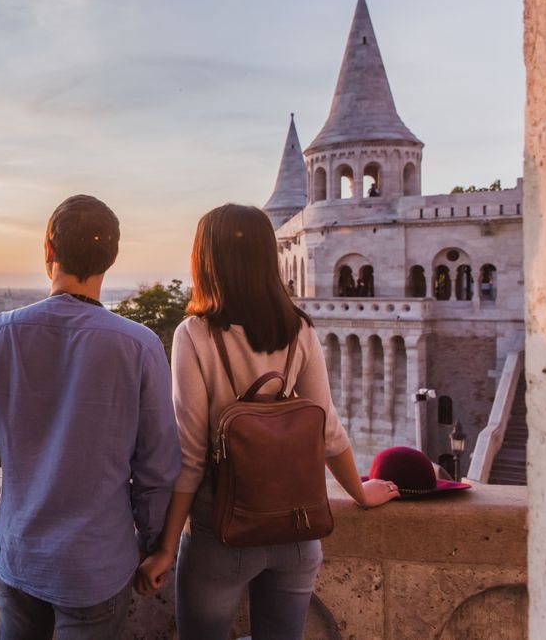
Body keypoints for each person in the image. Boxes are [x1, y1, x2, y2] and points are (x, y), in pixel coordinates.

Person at [134, 204, 398, 639]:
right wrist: (360, 494)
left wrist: (165, 547)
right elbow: (327, 429)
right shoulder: (299, 329)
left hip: (221, 533)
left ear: (206, 259)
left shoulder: (195, 335)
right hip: (296, 530)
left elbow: (191, 454)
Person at [0, 194, 181, 640]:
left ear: (48, 251)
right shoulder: (139, 345)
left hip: (17, 553)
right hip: (97, 563)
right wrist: (153, 545)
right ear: (110, 259)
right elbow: (157, 467)